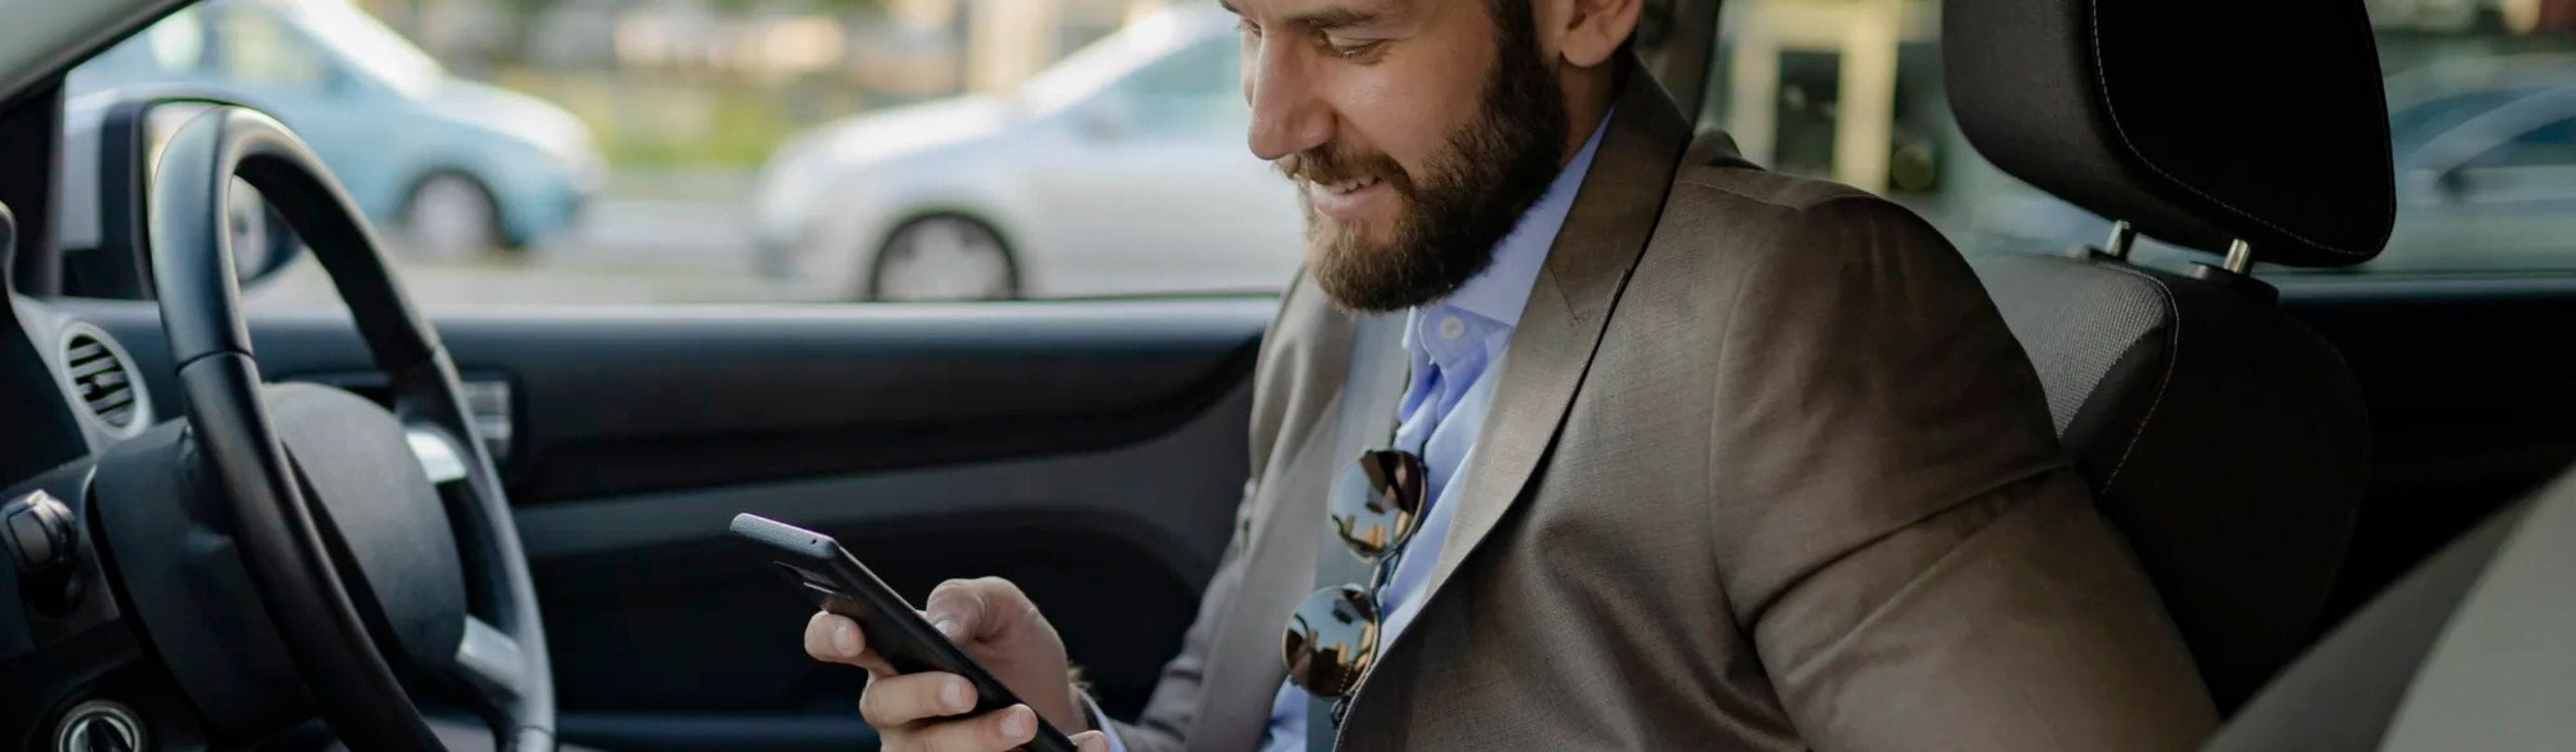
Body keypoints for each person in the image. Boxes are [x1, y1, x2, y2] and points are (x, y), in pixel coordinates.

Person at [802, 0, 2221, 748]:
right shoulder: (1353, 298)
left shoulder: (1804, 311)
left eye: (1350, 36)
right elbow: (1262, 713)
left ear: (1587, 8)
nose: (1270, 126)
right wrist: (1063, 727)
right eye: (1248, 29)